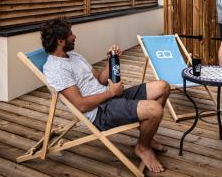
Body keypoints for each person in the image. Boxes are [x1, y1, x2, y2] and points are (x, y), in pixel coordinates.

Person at [40, 18, 170, 173]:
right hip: (99, 112)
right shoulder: (55, 69)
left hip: (110, 97)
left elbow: (101, 79)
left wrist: (112, 59)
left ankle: (147, 137)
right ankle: (143, 147)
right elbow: (80, 105)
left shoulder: (74, 57)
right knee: (154, 110)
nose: (75, 36)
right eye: (70, 34)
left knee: (162, 86)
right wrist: (111, 92)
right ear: (60, 41)